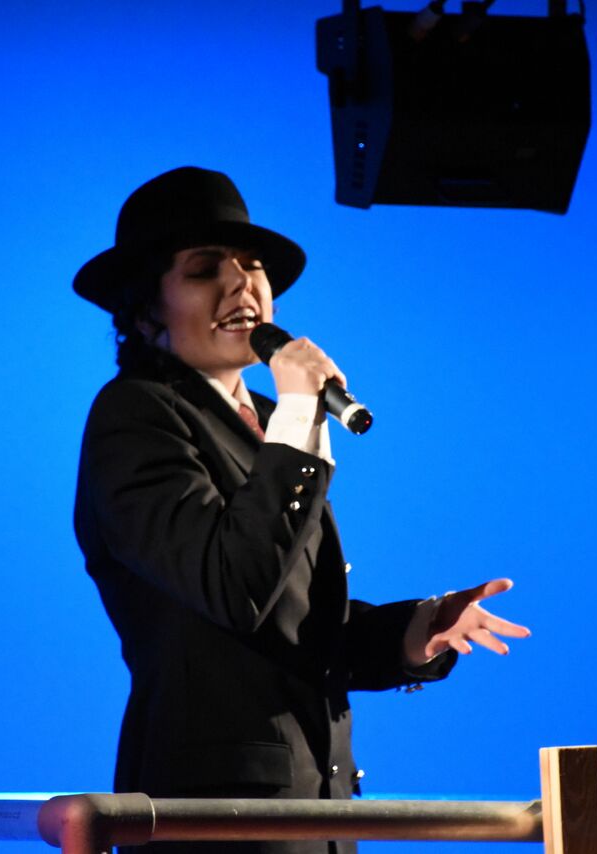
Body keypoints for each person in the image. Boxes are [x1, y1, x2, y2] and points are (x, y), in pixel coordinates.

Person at [71, 166, 529, 854]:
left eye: (252, 266)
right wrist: (296, 415)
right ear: (144, 309)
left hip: (318, 816)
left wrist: (416, 631)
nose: (243, 285)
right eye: (205, 269)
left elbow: (292, 626)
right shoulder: (135, 415)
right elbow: (234, 587)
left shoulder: (268, 420)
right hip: (215, 823)